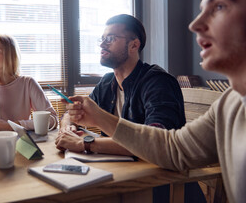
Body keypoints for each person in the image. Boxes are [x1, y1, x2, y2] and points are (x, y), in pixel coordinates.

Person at [63, 0, 246, 202]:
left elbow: (161, 138)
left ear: (134, 45)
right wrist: (77, 123)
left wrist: (88, 140)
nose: (194, 25)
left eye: (219, 6)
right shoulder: (230, 105)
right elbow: (173, 148)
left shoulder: (157, 82)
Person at [56, 14, 205, 202]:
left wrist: (85, 143)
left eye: (110, 39)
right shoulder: (106, 82)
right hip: (120, 178)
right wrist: (68, 128)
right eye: (102, 39)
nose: (102, 45)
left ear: (134, 45)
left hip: (161, 187)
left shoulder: (158, 82)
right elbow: (73, 112)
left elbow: (156, 141)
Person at [0, 34, 58, 134]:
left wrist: (11, 126)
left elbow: (52, 120)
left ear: (10, 56)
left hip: (23, 143)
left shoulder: (28, 83)